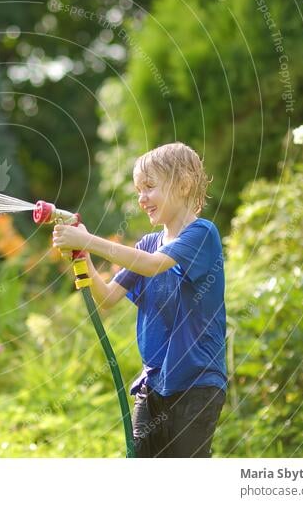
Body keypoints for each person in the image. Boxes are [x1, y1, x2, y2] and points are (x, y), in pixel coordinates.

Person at [52, 142, 227, 457]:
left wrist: (88, 240)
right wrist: (83, 255)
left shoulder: (202, 234)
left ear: (184, 184)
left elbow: (152, 265)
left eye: (149, 187)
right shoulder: (148, 243)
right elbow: (107, 298)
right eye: (138, 190)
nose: (141, 198)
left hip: (197, 383)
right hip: (153, 384)